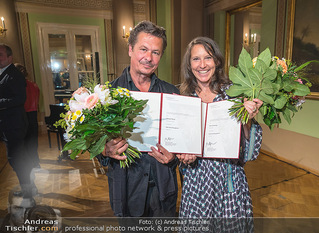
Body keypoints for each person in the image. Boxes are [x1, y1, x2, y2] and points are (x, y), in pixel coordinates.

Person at [176, 37, 263, 232]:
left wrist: (247, 119)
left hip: (228, 185)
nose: (202, 65)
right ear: (189, 65)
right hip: (196, 186)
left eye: (208, 57)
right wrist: (183, 156)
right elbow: (178, 147)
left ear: (217, 61)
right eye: (196, 59)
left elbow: (250, 153)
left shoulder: (233, 95)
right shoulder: (183, 100)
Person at [99, 21, 180, 217]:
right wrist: (105, 150)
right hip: (126, 191)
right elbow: (96, 146)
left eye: (156, 52)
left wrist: (174, 157)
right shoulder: (107, 94)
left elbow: (180, 142)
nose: (149, 58)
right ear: (130, 49)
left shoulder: (172, 93)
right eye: (143, 49)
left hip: (162, 190)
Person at [0, 44, 37, 198]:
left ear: (10, 57)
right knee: (19, 157)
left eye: (1, 55)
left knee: (15, 158)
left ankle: (28, 191)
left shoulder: (14, 74)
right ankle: (29, 186)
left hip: (14, 125)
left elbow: (20, 99)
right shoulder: (3, 73)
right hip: (6, 124)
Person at [14, 63, 41, 168]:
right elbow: (37, 100)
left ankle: (28, 164)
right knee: (33, 141)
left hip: (22, 115)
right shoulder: (34, 85)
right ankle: (36, 162)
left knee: (24, 142)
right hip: (33, 114)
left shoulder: (17, 86)